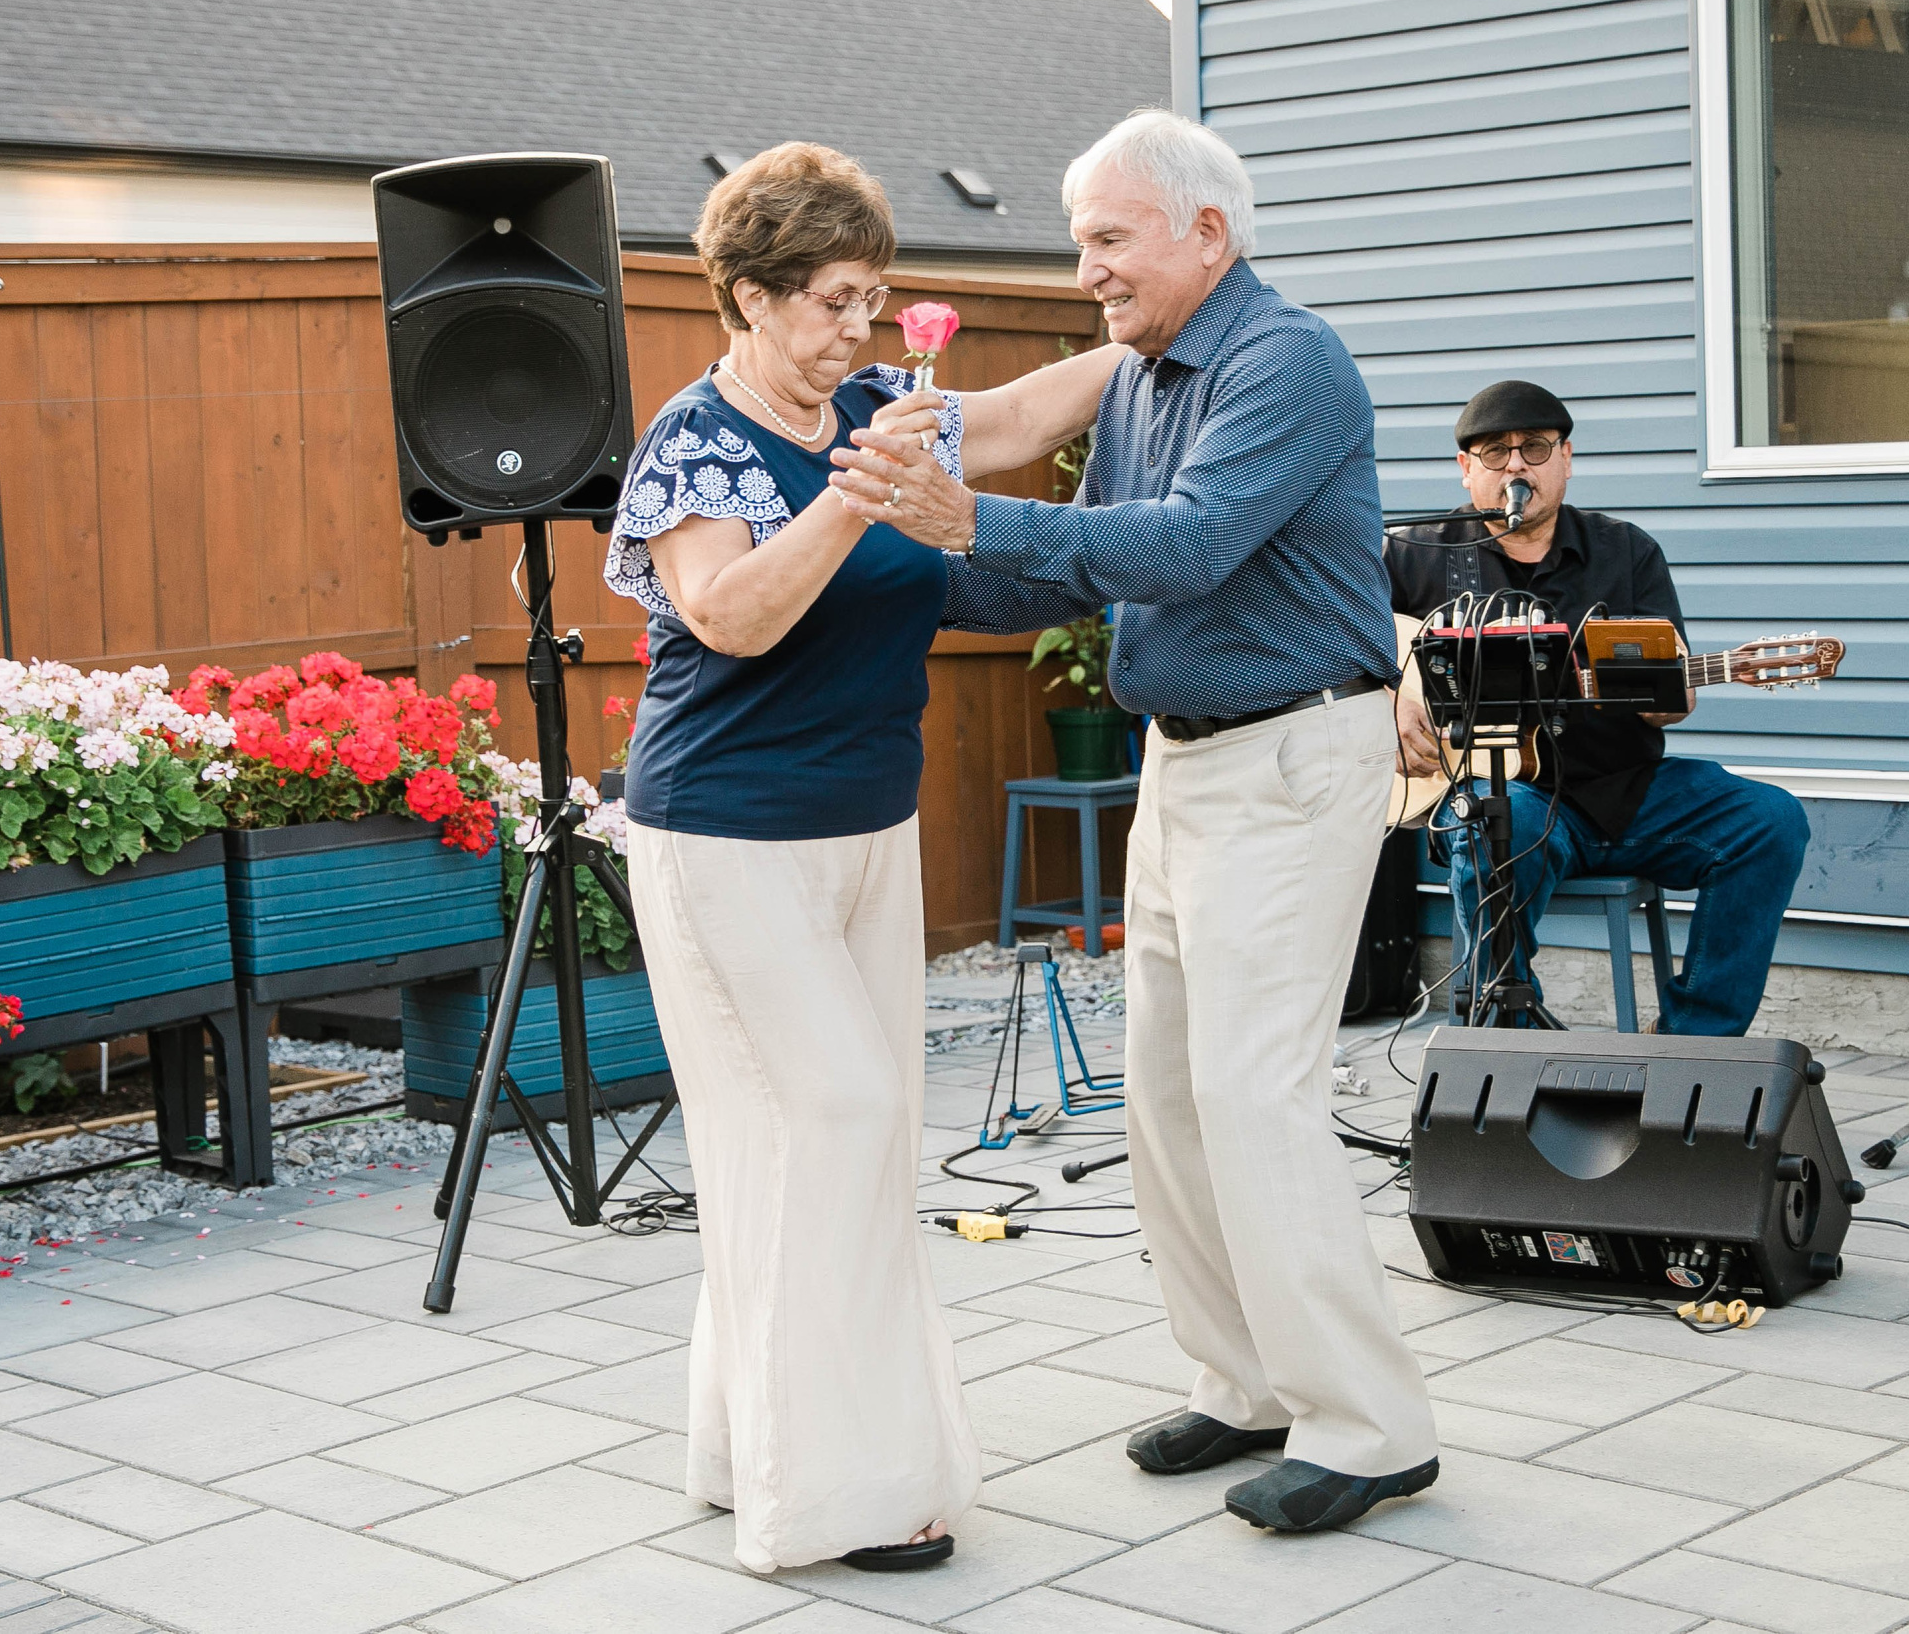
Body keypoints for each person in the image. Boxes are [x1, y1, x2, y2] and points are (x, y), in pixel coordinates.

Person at [830, 109, 1439, 1534]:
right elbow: (1070, 579)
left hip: (1295, 759)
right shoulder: (1150, 376)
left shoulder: (1287, 361)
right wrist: (894, 548)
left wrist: (963, 514)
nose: (1086, 266)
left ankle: (1373, 1422)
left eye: (1110, 236)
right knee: (1164, 1093)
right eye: (1081, 238)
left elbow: (1187, 543)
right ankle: (1246, 1384)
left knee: (1253, 1092)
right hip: (1191, 759)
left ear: (1206, 233)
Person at [600, 141, 1114, 1574]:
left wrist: (1142, 342)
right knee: (836, 1118)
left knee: (826, 1144)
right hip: (726, 835)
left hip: (867, 830)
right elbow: (733, 616)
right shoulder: (693, 442)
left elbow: (1007, 419)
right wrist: (854, 487)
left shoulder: (886, 402)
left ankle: (742, 1444)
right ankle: (848, 1488)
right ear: (752, 298)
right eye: (833, 301)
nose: (861, 330)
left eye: (875, 300)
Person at [1388, 380, 1812, 1034]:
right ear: (1465, 467)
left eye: (1534, 447)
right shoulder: (1417, 552)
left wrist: (1674, 693)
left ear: (1566, 457)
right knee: (1494, 821)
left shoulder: (1626, 551)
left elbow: (1673, 703)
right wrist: (1390, 701)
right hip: (1512, 803)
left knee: (1771, 821)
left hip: (1628, 791)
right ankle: (1502, 1050)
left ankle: (1693, 1045)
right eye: (1495, 452)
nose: (1517, 465)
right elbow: (1329, 640)